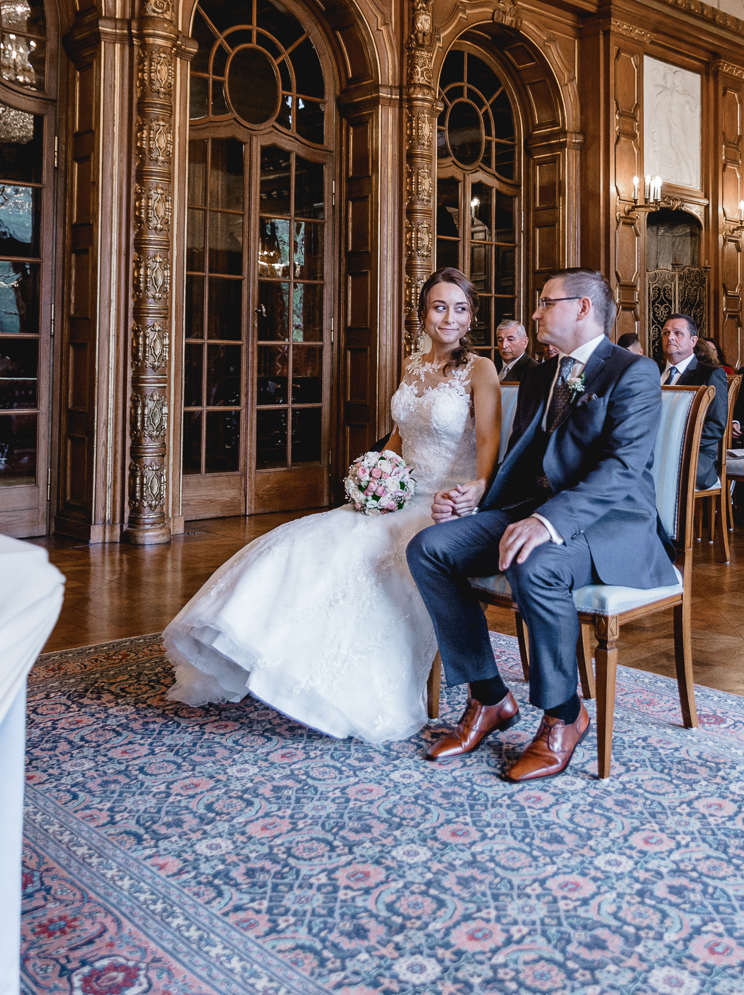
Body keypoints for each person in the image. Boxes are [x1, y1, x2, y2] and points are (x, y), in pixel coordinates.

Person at [163, 268, 501, 743]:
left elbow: (489, 440)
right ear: (423, 313)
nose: (449, 317)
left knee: (363, 559)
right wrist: (375, 475)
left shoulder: (480, 369)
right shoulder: (411, 365)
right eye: (440, 306)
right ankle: (272, 654)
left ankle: (337, 685)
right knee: (304, 541)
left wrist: (479, 488)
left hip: (447, 502)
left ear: (471, 319)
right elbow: (400, 437)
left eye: (460, 309)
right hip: (399, 494)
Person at [406, 268, 677, 783]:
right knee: (430, 548)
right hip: (532, 509)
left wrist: (546, 523)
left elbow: (621, 470)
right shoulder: (536, 374)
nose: (534, 314)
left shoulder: (632, 372)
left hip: (610, 524)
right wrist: (475, 503)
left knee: (536, 562)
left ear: (581, 308)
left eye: (545, 303)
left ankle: (564, 715)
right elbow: (520, 462)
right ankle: (489, 697)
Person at [660, 314, 729, 488]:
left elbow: (715, 425)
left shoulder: (709, 374)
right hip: (653, 449)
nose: (671, 337)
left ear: (693, 340)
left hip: (694, 454)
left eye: (678, 333)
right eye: (666, 333)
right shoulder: (651, 372)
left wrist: (676, 443)